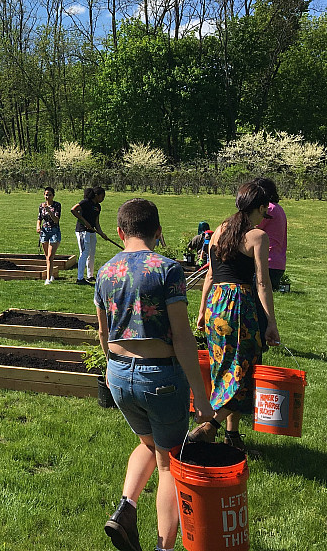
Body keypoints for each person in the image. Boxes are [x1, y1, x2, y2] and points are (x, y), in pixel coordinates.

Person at [96, 198, 215, 551]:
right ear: (158, 232)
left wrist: (111, 369)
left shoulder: (105, 272)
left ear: (120, 232)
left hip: (118, 375)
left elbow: (103, 332)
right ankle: (164, 548)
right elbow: (181, 336)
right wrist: (201, 395)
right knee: (169, 463)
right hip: (160, 378)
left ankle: (125, 509)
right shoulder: (167, 270)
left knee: (149, 444)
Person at [192, 181, 282, 456]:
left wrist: (201, 310)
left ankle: (231, 436)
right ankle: (209, 426)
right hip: (239, 305)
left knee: (224, 367)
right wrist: (271, 322)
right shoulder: (257, 236)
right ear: (259, 208)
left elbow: (210, 274)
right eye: (264, 211)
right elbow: (262, 283)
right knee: (245, 369)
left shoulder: (219, 231)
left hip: (215, 304)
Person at [252, 177, 287, 290]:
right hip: (278, 263)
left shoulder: (268, 209)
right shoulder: (278, 208)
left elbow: (252, 229)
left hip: (266, 262)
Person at [72, 187, 106, 285]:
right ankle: (80, 278)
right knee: (84, 253)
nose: (103, 199)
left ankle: (90, 276)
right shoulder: (85, 202)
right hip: (82, 231)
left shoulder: (98, 207)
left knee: (91, 253)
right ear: (96, 195)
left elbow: (96, 222)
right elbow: (73, 210)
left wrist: (101, 233)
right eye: (102, 196)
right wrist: (84, 221)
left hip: (92, 232)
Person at [37, 187, 62, 285]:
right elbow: (39, 218)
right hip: (44, 231)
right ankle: (50, 274)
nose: (47, 197)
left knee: (51, 256)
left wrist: (49, 210)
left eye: (50, 195)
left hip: (54, 231)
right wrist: (38, 226)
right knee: (47, 256)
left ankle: (48, 279)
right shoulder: (41, 206)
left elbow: (56, 220)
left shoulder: (57, 205)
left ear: (53, 195)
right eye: (46, 195)